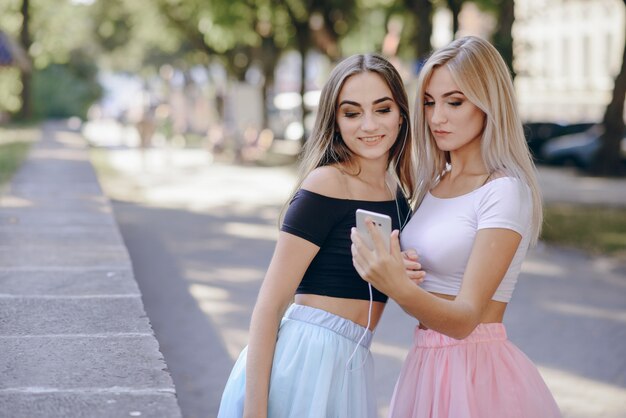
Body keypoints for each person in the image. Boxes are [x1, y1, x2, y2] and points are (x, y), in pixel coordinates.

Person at [351, 36, 562, 418]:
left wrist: (394, 284)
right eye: (429, 102)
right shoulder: (433, 183)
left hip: (476, 373)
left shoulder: (504, 190)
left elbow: (465, 319)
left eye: (455, 101)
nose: (436, 117)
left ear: (488, 103)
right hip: (425, 363)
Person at [218, 53, 421, 418]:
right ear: (335, 120)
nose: (369, 124)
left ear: (402, 114)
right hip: (305, 358)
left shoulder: (396, 193)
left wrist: (402, 271)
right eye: (352, 112)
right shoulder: (327, 184)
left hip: (351, 362)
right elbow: (270, 303)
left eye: (382, 109)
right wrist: (255, 411)